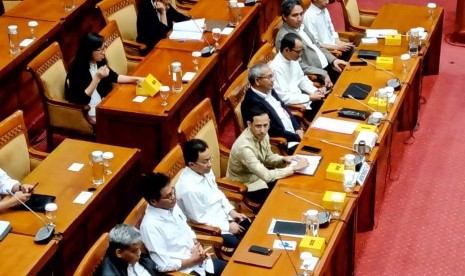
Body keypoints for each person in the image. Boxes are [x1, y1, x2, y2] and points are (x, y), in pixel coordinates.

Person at [139, 173, 226, 276]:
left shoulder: (171, 206)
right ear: (153, 201)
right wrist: (193, 260)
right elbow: (163, 265)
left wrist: (196, 244)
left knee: (235, 270)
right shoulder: (150, 226)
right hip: (185, 272)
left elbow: (186, 228)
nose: (173, 197)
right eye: (168, 196)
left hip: (202, 262)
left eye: (172, 191)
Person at [176, 139, 250, 250]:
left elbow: (218, 193)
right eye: (205, 161)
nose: (210, 164)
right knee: (242, 248)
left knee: (251, 227)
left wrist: (232, 212)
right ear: (192, 164)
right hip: (212, 228)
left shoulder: (204, 170)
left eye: (210, 159)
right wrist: (227, 226)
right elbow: (200, 220)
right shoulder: (188, 189)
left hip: (224, 216)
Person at [226, 107, 309, 204]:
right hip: (246, 187)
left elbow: (267, 157)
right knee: (284, 198)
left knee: (294, 184)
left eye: (265, 125)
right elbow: (267, 176)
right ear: (249, 124)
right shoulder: (244, 148)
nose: (263, 130)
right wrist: (294, 168)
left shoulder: (262, 133)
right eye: (258, 126)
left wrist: (284, 159)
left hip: (260, 177)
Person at [65, 33, 144, 122]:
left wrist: (136, 79)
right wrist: (96, 78)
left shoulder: (98, 61)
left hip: (103, 105)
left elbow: (115, 77)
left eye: (104, 48)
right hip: (91, 113)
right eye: (100, 50)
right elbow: (82, 100)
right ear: (89, 51)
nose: (103, 52)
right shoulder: (77, 70)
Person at [275, 0, 347, 86]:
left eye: (301, 14)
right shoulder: (284, 37)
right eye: (295, 15)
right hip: (316, 74)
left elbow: (317, 46)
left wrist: (334, 60)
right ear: (285, 17)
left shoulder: (301, 26)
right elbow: (297, 65)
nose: (300, 18)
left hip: (328, 65)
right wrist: (322, 73)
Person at [242, 62, 304, 154]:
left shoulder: (268, 88)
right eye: (269, 77)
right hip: (283, 144)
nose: (273, 79)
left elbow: (284, 108)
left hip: (295, 134)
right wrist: (297, 137)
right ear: (257, 81)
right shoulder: (252, 103)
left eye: (272, 75)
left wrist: (297, 128)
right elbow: (271, 130)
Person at [269, 32, 326, 122]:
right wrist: (309, 97)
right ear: (287, 50)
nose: (300, 54)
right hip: (295, 108)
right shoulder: (276, 68)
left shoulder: (293, 59)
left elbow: (302, 79)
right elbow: (284, 98)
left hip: (305, 100)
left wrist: (315, 90)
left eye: (301, 50)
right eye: (298, 51)